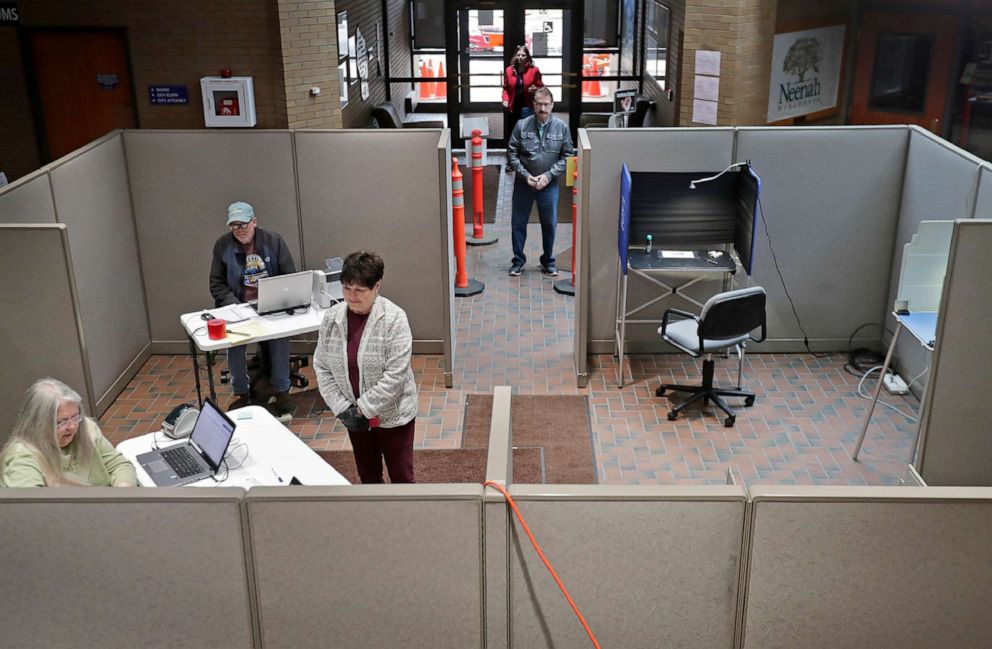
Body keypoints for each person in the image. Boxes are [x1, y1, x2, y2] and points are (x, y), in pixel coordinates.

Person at [313, 251, 418, 484]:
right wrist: (344, 409)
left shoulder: (394, 319)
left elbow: (395, 377)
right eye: (346, 289)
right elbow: (321, 366)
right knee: (368, 476)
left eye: (360, 290)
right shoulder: (331, 319)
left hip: (393, 417)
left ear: (377, 286)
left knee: (402, 478)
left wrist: (363, 409)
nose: (352, 297)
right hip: (353, 417)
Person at [210, 200, 297, 414]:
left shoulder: (273, 241)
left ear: (254, 222)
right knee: (234, 343)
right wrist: (236, 306)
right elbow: (217, 284)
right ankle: (242, 392)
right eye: (234, 225)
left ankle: (281, 389)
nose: (239, 230)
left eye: (243, 224)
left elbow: (289, 276)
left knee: (279, 338)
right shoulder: (222, 245)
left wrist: (278, 301)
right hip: (238, 309)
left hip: (271, 306)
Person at [1, 379, 137, 487]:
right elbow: (33, 510)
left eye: (76, 417)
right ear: (38, 423)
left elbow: (118, 465)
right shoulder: (22, 458)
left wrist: (122, 490)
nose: (72, 427)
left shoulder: (87, 428)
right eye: (62, 421)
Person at [506, 86, 573, 278]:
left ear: (552, 105)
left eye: (546, 104)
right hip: (524, 183)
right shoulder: (521, 125)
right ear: (533, 105)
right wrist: (526, 175)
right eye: (539, 104)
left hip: (548, 185)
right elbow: (511, 153)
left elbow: (567, 156)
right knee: (518, 223)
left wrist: (549, 176)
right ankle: (518, 261)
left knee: (549, 224)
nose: (543, 108)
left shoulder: (561, 127)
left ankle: (548, 262)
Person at [502, 44, 543, 171]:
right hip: (513, 107)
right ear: (515, 56)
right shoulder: (509, 70)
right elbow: (506, 89)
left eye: (523, 55)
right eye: (518, 55)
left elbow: (541, 87)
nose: (520, 57)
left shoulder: (534, 70)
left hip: (527, 106)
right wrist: (505, 99)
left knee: (526, 134)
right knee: (512, 135)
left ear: (527, 57)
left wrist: (534, 89)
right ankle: (511, 162)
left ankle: (527, 162)